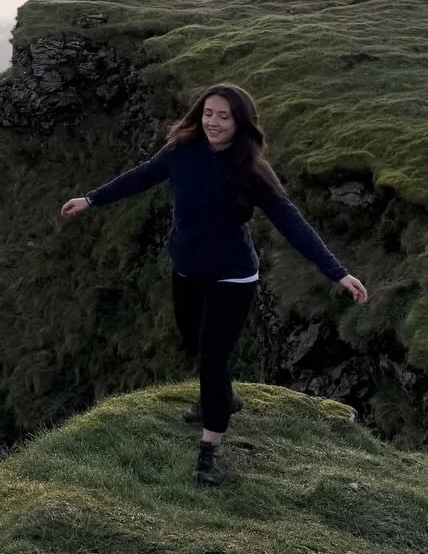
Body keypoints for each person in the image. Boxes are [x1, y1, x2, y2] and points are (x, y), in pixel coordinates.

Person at [60, 84, 368, 486]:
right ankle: (228, 399)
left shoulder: (251, 170)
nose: (214, 122)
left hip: (233, 277)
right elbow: (141, 176)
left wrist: (337, 272)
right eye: (208, 113)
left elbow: (293, 223)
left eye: (224, 116)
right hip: (187, 270)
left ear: (240, 122)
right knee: (193, 340)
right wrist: (91, 200)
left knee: (211, 358)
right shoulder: (181, 151)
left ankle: (209, 449)